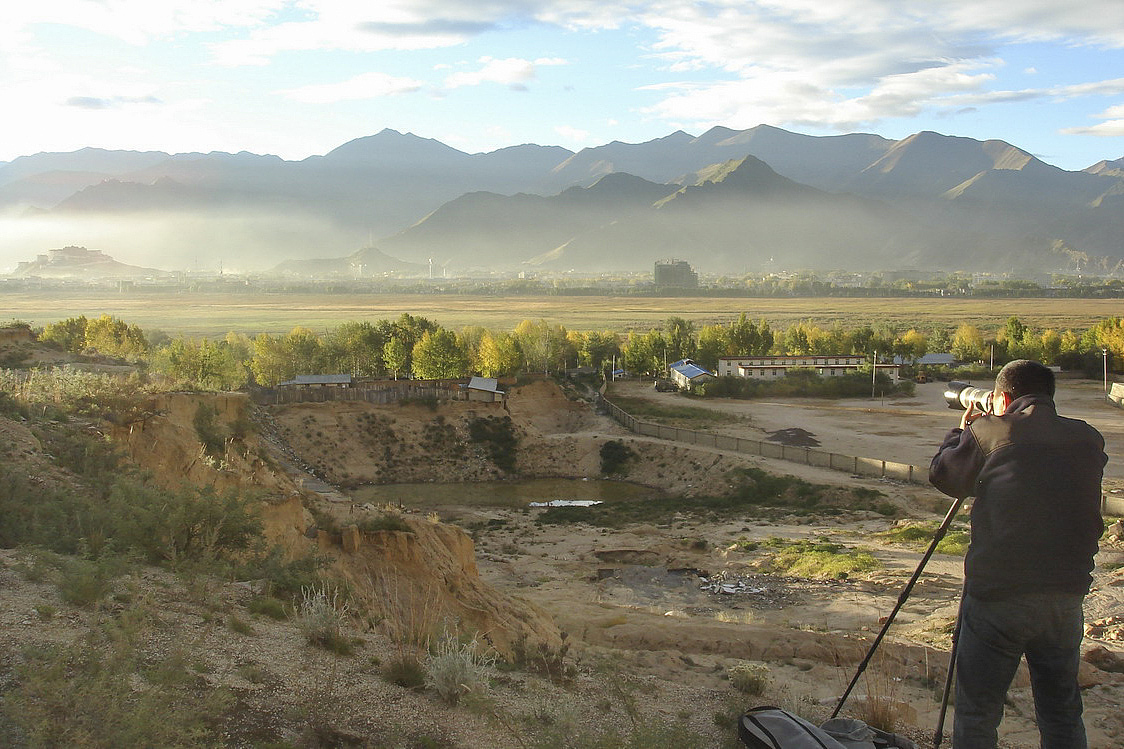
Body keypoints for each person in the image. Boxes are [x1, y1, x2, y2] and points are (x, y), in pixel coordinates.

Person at [929, 359, 1106, 749]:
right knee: (1061, 712)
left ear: (1003, 398)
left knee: (978, 714)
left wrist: (962, 432)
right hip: (1066, 594)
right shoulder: (1088, 438)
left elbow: (945, 476)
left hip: (999, 594)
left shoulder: (991, 432)